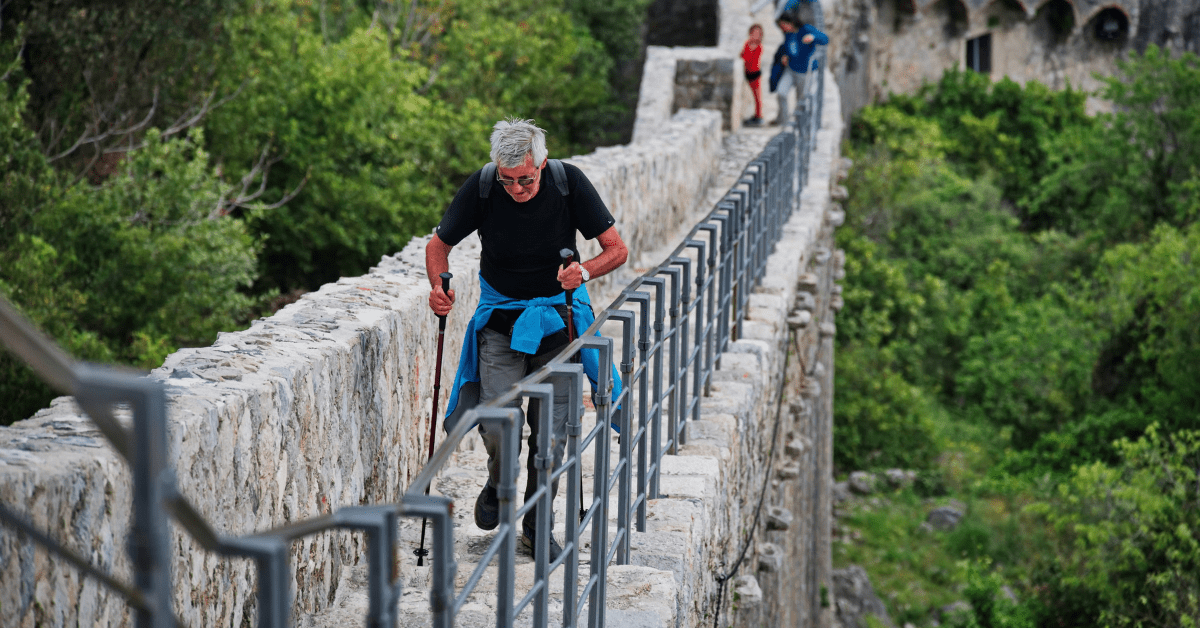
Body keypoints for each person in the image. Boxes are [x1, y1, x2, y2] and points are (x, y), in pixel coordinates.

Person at [425, 118, 628, 561]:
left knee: (551, 439)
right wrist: (438, 289)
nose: (517, 188)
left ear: (543, 163)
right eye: (508, 179)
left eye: (526, 179)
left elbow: (616, 248)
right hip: (500, 326)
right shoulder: (482, 187)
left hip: (559, 326)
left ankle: (537, 527)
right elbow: (438, 246)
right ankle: (499, 482)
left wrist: (584, 272)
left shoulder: (568, 183)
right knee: (500, 424)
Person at [768, 16, 829, 125]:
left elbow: (825, 39)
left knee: (801, 100)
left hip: (805, 72)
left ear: (791, 22)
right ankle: (783, 120)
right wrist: (786, 56)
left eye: (784, 25)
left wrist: (813, 36)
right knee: (781, 92)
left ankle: (800, 125)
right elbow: (790, 48)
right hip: (791, 69)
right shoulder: (788, 35)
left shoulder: (806, 29)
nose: (783, 28)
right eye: (781, 26)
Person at [742, 24, 766, 126]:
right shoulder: (747, 44)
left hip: (755, 74)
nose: (755, 35)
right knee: (749, 95)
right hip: (747, 72)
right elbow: (743, 56)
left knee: (757, 96)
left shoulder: (759, 47)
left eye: (757, 34)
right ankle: (754, 115)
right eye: (753, 33)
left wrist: (749, 51)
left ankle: (759, 115)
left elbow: (750, 58)